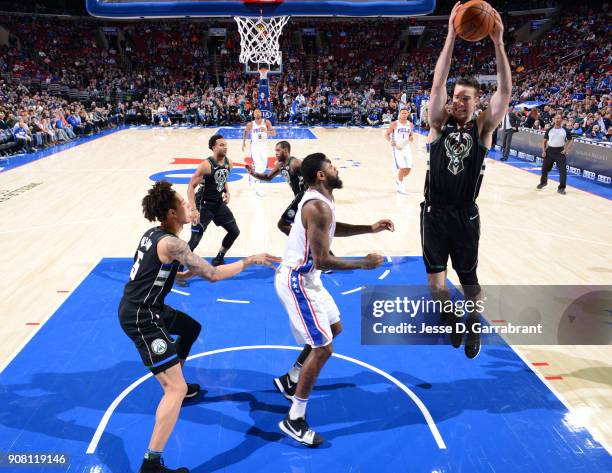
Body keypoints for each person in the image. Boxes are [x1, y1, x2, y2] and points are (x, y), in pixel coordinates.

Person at [118, 181, 279, 473]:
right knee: (175, 389)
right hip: (142, 317)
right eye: (182, 203)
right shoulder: (173, 243)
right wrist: (250, 260)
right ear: (171, 212)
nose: (187, 206)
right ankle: (151, 463)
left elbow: (150, 270)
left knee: (190, 328)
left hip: (146, 306)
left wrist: (179, 274)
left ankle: (173, 376)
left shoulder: (153, 235)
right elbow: (214, 275)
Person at [274, 153, 394, 447]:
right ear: (321, 175)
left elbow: (330, 227)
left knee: (334, 328)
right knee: (324, 348)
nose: (335, 166)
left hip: (309, 279)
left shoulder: (321, 200)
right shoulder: (316, 206)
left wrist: (369, 228)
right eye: (330, 164)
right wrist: (363, 264)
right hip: (298, 281)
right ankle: (295, 418)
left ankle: (291, 379)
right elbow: (323, 258)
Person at [422, 2, 511, 359]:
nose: (457, 101)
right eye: (455, 97)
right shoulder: (437, 124)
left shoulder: (483, 128)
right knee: (435, 285)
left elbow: (504, 93)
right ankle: (451, 316)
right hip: (433, 212)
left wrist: (499, 44)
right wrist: (449, 35)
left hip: (465, 214)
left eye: (464, 98)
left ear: (477, 103)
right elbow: (437, 81)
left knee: (469, 282)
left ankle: (473, 324)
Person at [184, 134, 239, 272]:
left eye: (225, 145)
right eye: (221, 145)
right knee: (195, 240)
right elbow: (191, 186)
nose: (225, 147)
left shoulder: (229, 163)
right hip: (203, 205)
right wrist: (194, 209)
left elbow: (223, 178)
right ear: (214, 148)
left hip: (218, 204)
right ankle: (177, 268)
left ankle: (219, 257)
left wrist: (227, 191)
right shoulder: (205, 166)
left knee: (234, 231)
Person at [245, 140, 305, 235]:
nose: (275, 153)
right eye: (275, 151)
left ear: (285, 150)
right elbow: (268, 177)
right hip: (299, 198)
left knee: (282, 224)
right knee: (303, 226)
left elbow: (312, 175)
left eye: (278, 150)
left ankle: (304, 242)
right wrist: (253, 173)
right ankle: (311, 245)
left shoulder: (295, 163)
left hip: (303, 197)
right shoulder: (280, 165)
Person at [242, 108, 275, 197]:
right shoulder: (250, 124)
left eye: (258, 112)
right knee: (258, 165)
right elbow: (245, 132)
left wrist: (267, 131)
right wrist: (243, 142)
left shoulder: (266, 122)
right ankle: (258, 188)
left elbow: (274, 133)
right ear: (253, 115)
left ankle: (251, 175)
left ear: (261, 113)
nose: (257, 113)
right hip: (255, 148)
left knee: (263, 166)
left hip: (264, 147)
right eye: (255, 112)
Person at [537, 113, 573, 195]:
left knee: (563, 171)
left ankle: (561, 188)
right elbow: (544, 141)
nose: (557, 120)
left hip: (560, 152)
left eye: (559, 118)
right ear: (553, 119)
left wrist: (566, 149)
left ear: (562, 120)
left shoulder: (565, 130)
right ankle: (543, 182)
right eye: (556, 118)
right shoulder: (549, 130)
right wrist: (543, 151)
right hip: (549, 151)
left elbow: (570, 140)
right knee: (544, 169)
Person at [385, 108, 415, 194]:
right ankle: (400, 187)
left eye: (405, 113)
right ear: (399, 114)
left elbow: (410, 135)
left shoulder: (411, 125)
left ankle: (398, 180)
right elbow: (386, 134)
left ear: (408, 114)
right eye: (402, 113)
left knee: (408, 169)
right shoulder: (394, 124)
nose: (404, 115)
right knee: (402, 167)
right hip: (397, 148)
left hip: (406, 147)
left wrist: (411, 138)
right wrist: (391, 141)